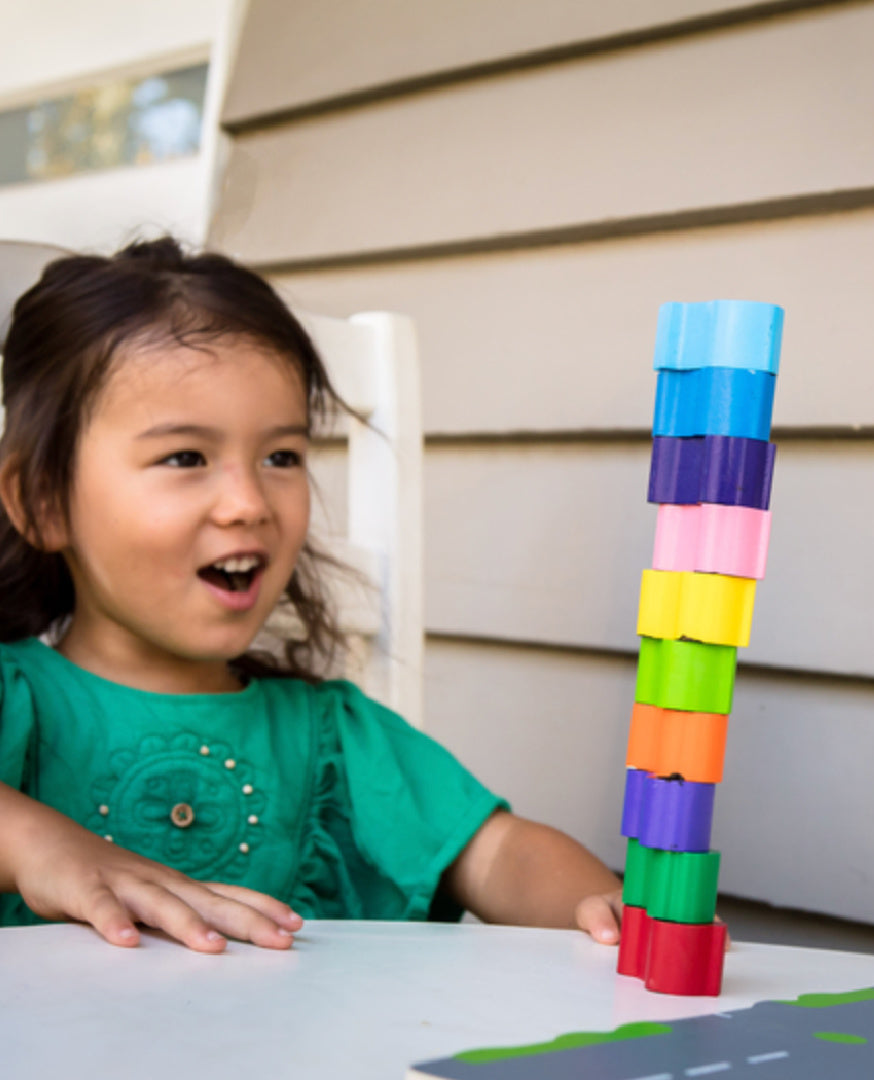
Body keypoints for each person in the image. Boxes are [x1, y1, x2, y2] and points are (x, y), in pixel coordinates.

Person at [0, 237, 622, 953]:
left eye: (281, 457)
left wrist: (602, 909)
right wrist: (42, 846)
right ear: (44, 501)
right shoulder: (16, 699)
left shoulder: (337, 740)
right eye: (185, 457)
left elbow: (498, 853)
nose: (248, 502)